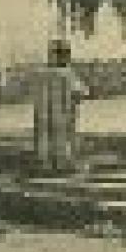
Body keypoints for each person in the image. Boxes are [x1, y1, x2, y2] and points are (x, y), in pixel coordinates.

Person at [32, 38, 89, 173]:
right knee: (64, 136)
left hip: (44, 113)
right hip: (64, 111)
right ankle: (63, 163)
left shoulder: (41, 73)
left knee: (45, 135)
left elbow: (37, 94)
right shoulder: (68, 74)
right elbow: (81, 91)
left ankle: (46, 163)